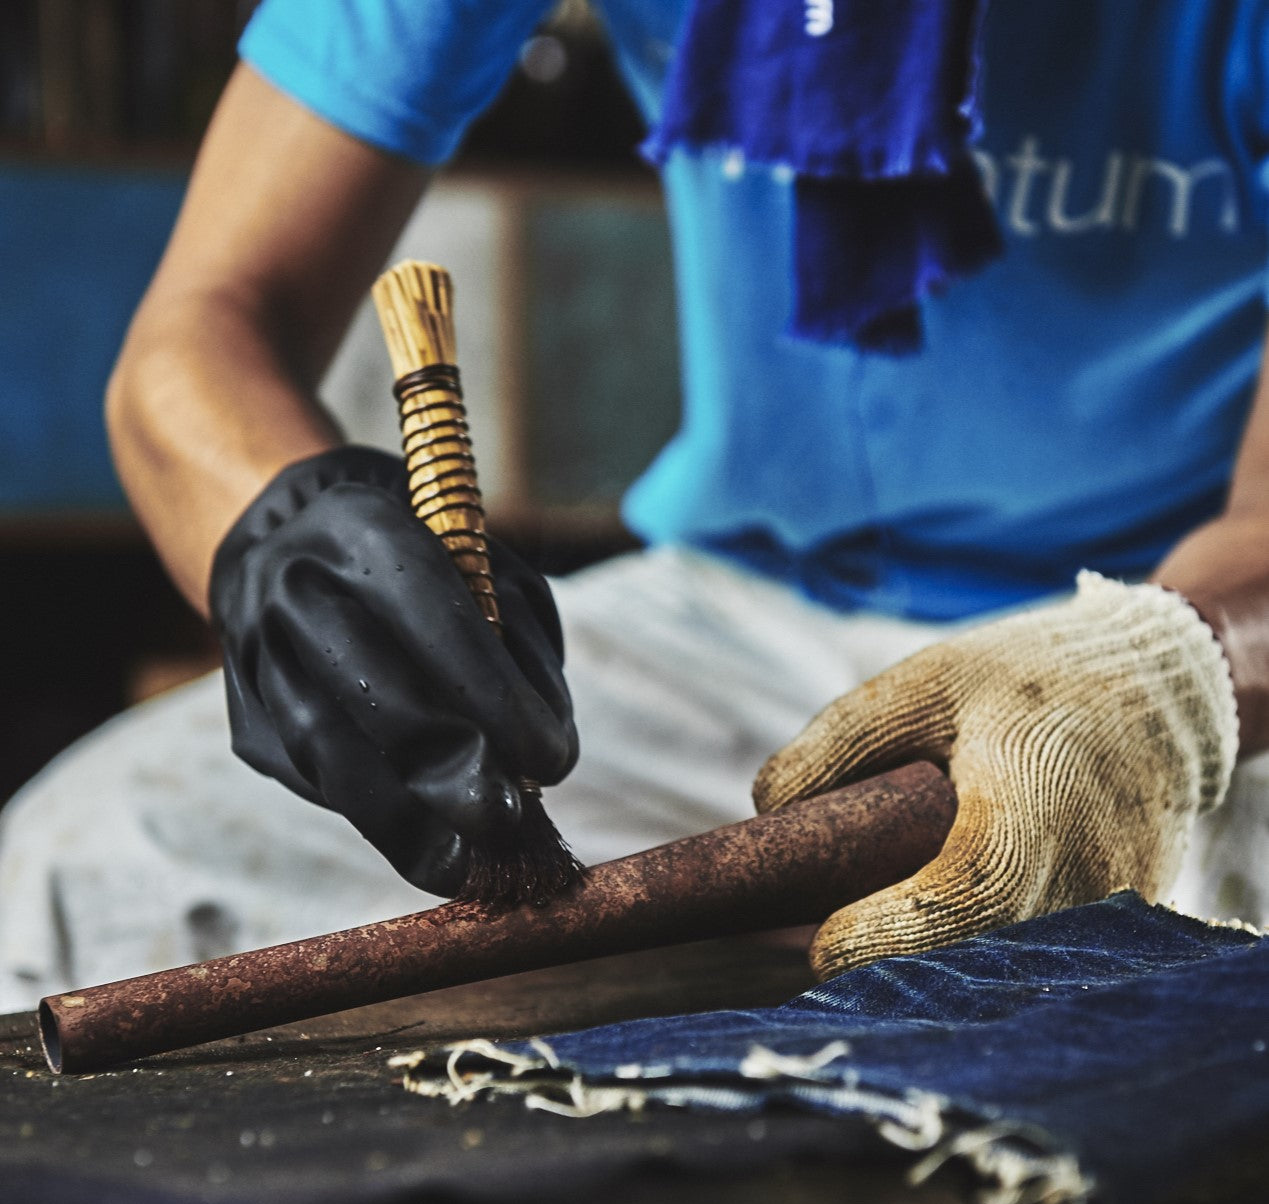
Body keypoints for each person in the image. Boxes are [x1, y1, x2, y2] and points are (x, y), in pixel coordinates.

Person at [2, 0, 1268, 1007]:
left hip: (1164, 646)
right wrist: (277, 529)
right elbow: (197, 337)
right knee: (81, 873)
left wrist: (1152, 675)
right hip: (729, 630)